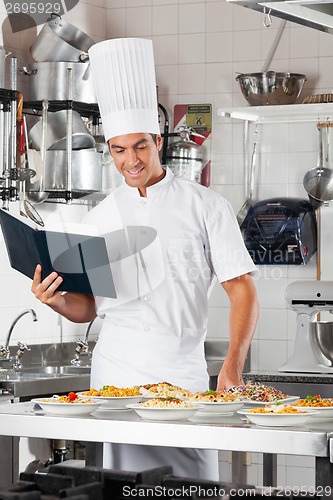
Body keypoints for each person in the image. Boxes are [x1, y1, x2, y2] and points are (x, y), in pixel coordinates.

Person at [31, 38, 259, 481]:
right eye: (118, 150)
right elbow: (88, 308)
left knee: (190, 488)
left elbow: (242, 288)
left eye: (139, 147)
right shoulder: (99, 217)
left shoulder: (205, 205)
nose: (130, 160)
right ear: (109, 151)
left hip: (182, 375)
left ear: (158, 141)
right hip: (115, 376)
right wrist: (55, 300)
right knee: (122, 489)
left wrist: (232, 366)